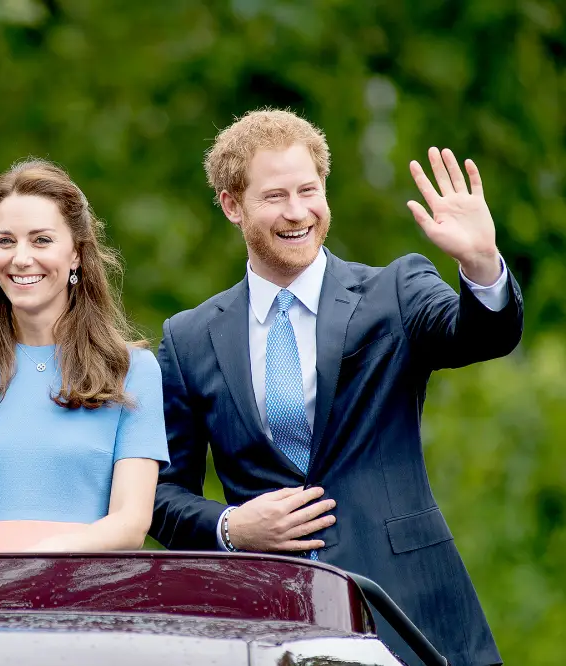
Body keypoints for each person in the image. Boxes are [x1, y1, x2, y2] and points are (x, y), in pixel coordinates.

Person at [150, 109, 521, 666]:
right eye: (275, 196)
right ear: (232, 205)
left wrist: (480, 263)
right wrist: (230, 526)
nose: (297, 212)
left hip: (411, 611)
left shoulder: (395, 290)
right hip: (269, 621)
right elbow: (157, 496)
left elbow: (480, 335)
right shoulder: (190, 338)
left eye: (309, 190)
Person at [0, 159, 168, 553]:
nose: (21, 258)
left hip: (85, 599)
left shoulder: (132, 371)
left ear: (77, 254)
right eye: (6, 240)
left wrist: (35, 566)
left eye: (41, 240)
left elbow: (131, 523)